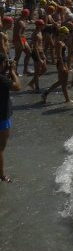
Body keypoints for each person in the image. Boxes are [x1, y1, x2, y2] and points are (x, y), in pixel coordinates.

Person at [0, 53, 20, 182]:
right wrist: (12, 71)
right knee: (0, 147)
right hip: (2, 117)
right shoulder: (2, 79)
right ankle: (1, 175)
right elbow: (17, 86)